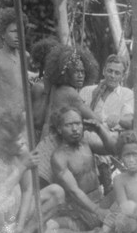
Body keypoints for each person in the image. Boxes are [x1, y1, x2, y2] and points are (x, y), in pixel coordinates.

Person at [49, 107, 121, 233]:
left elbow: (114, 149)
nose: (75, 129)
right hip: (79, 211)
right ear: (59, 129)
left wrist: (99, 129)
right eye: (69, 125)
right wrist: (97, 211)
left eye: (78, 123)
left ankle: (103, 230)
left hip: (100, 201)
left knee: (125, 187)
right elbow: (74, 191)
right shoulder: (59, 157)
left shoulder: (86, 144)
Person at [34, 45, 101, 187]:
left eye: (83, 71)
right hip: (56, 143)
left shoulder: (56, 88)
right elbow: (96, 119)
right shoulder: (69, 92)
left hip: (46, 139)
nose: (81, 75)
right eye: (76, 71)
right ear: (65, 73)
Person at [80, 54, 134, 192]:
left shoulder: (127, 94)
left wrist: (119, 119)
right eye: (110, 71)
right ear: (104, 71)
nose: (112, 76)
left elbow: (130, 121)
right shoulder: (87, 91)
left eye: (117, 73)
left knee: (95, 139)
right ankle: (105, 183)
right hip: (87, 133)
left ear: (123, 76)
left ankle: (104, 182)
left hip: (112, 137)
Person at [0, 8, 37, 110]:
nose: (18, 36)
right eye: (13, 31)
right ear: (2, 34)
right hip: (3, 115)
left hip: (23, 116)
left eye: (20, 32)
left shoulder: (25, 56)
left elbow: (19, 78)